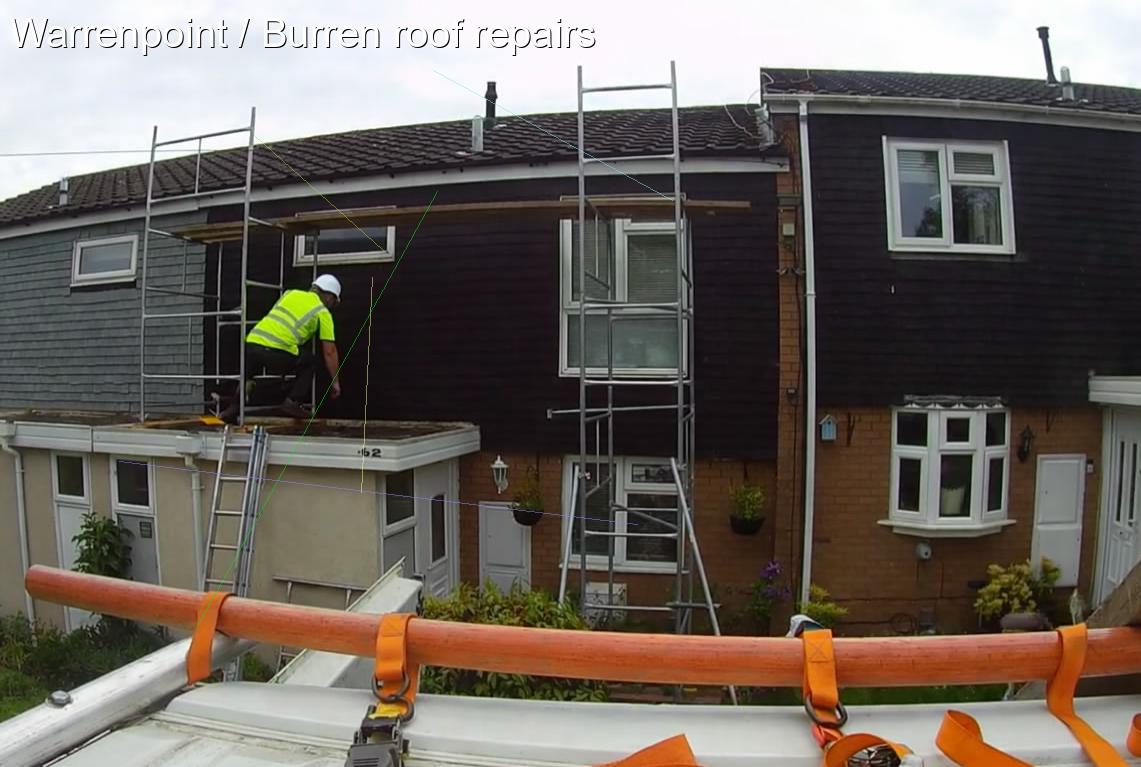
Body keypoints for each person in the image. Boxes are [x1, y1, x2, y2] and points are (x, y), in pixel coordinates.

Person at [219, 274, 342, 422]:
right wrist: (335, 381)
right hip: (277, 350)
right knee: (310, 362)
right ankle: (293, 401)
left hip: (252, 343)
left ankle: (233, 406)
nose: (332, 305)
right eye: (333, 301)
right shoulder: (322, 312)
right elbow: (329, 351)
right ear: (329, 296)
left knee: (249, 374)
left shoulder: (290, 293)